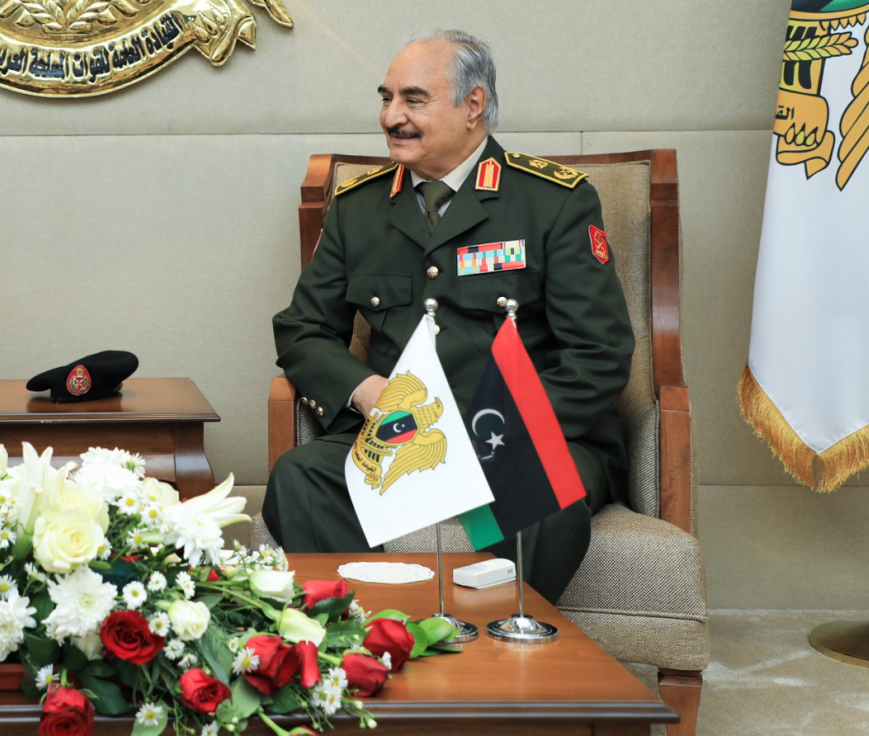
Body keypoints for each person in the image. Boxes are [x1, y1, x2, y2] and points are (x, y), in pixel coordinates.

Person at [264, 31, 633, 602]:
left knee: (542, 501)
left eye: (413, 100)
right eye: (387, 98)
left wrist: (484, 428)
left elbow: (599, 354)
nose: (392, 116)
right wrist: (368, 393)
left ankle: (486, 644)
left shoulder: (551, 202)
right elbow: (303, 329)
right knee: (300, 477)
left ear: (473, 105)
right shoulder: (358, 208)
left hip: (518, 434)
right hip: (400, 434)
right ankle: (374, 633)